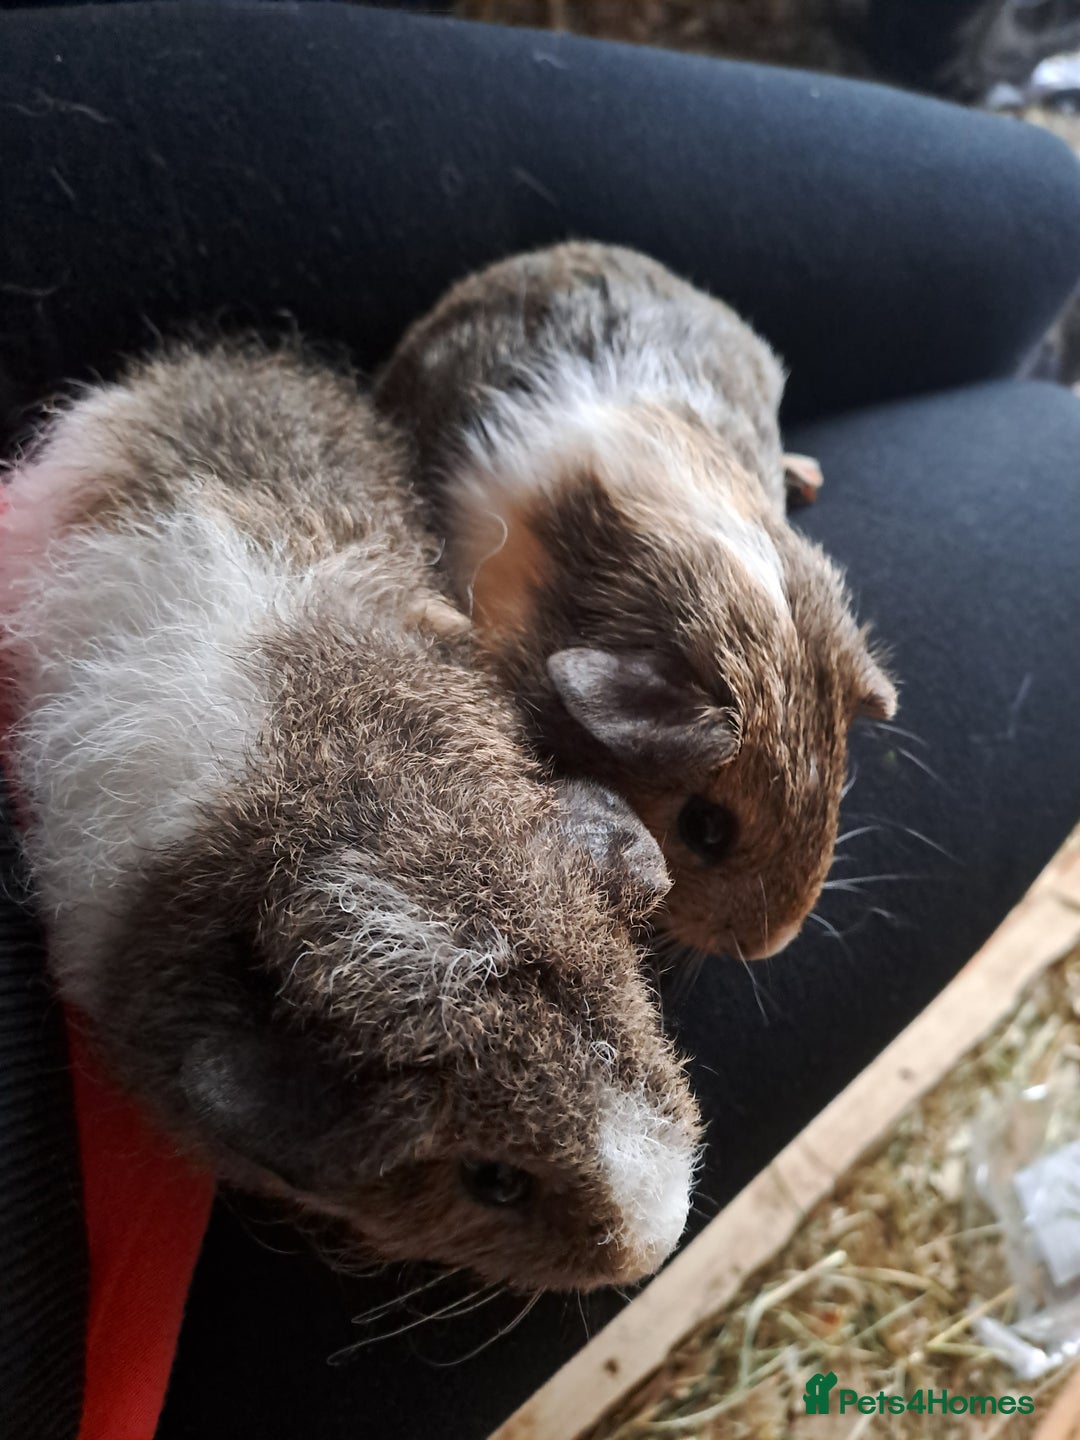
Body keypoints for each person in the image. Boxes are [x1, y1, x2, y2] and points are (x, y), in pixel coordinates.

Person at [2, 6, 1079, 1438]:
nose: (755, 934)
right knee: (1045, 425)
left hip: (293, 551)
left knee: (1035, 218)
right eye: (699, 829)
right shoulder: (243, 1069)